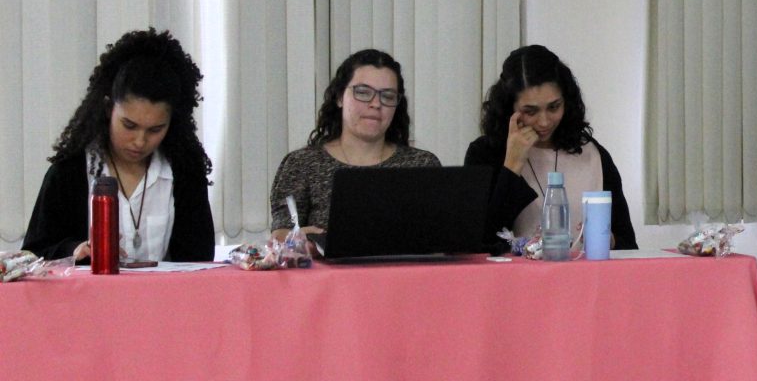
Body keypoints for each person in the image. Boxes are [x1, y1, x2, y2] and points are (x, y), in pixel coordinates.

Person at [23, 29, 216, 264]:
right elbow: (34, 253)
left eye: (155, 130)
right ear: (108, 109)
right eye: (129, 125)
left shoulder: (185, 172)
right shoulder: (69, 171)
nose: (140, 141)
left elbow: (200, 258)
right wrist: (74, 251)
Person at [465, 45, 636, 252]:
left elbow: (629, 244)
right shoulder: (485, 153)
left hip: (583, 271)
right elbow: (478, 241)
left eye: (554, 107)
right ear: (510, 108)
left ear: (567, 102)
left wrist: (609, 240)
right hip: (511, 272)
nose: (544, 122)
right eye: (531, 111)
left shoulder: (593, 154)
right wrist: (512, 166)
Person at [269, 49, 440, 247]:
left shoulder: (422, 165)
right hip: (323, 268)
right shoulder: (302, 164)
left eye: (388, 96)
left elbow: (439, 236)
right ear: (340, 97)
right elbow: (280, 234)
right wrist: (297, 240)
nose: (376, 104)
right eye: (363, 92)